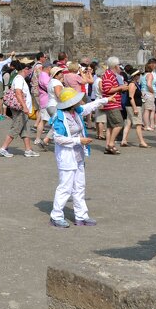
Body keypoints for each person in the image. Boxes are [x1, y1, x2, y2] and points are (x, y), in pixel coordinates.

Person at [48, 87, 106, 228]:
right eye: (76, 99)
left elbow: (88, 107)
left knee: (79, 186)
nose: (80, 101)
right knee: (65, 187)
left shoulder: (76, 112)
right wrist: (78, 140)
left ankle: (81, 216)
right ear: (71, 103)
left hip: (78, 154)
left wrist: (105, 100)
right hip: (67, 156)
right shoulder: (60, 117)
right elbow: (58, 139)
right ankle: (56, 215)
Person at [0, 59, 35, 158]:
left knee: (24, 129)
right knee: (16, 128)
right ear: (25, 69)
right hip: (20, 108)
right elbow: (18, 93)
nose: (30, 71)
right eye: (29, 69)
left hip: (22, 108)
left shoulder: (20, 78)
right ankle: (3, 148)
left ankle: (28, 150)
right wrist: (25, 107)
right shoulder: (19, 79)